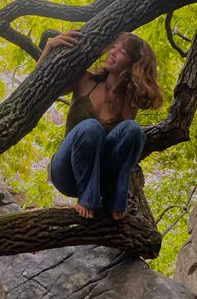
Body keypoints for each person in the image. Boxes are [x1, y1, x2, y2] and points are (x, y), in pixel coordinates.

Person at [37, 30, 163, 220]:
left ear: (133, 65)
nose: (112, 52)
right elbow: (39, 87)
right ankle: (87, 200)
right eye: (113, 46)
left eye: (122, 51)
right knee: (91, 127)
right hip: (66, 171)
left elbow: (122, 151)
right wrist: (48, 49)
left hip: (100, 177)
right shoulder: (85, 80)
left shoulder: (129, 101)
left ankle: (115, 201)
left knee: (134, 130)